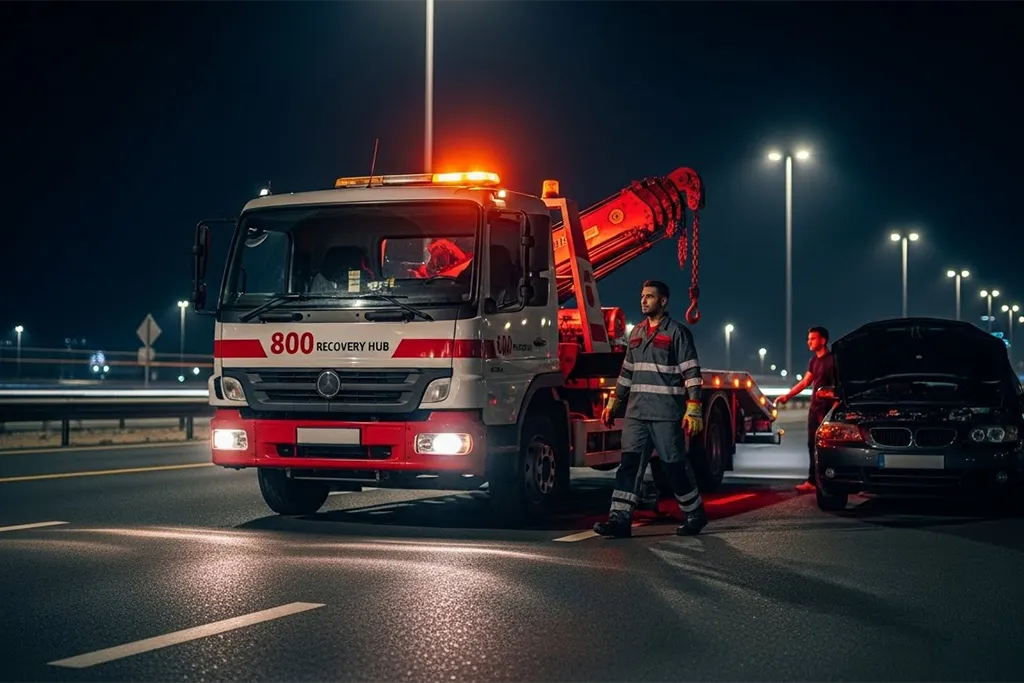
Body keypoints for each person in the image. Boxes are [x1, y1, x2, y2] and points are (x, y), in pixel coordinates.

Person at [593, 280, 708, 538]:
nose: (644, 301)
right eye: (642, 296)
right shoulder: (636, 334)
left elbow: (691, 372)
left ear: (663, 301)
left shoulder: (677, 333)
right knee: (629, 466)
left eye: (650, 297)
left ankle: (695, 514)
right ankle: (619, 520)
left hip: (665, 414)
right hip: (636, 414)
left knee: (674, 465)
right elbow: (626, 373)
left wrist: (694, 406)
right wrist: (614, 403)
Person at [776, 326, 837, 492]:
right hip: (815, 409)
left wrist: (834, 410)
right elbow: (805, 382)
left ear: (823, 340)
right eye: (808, 338)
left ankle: (833, 479)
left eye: (813, 338)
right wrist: (787, 396)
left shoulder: (833, 360)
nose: (809, 341)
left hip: (827, 410)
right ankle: (812, 481)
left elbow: (837, 387)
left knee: (828, 446)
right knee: (812, 445)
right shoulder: (813, 361)